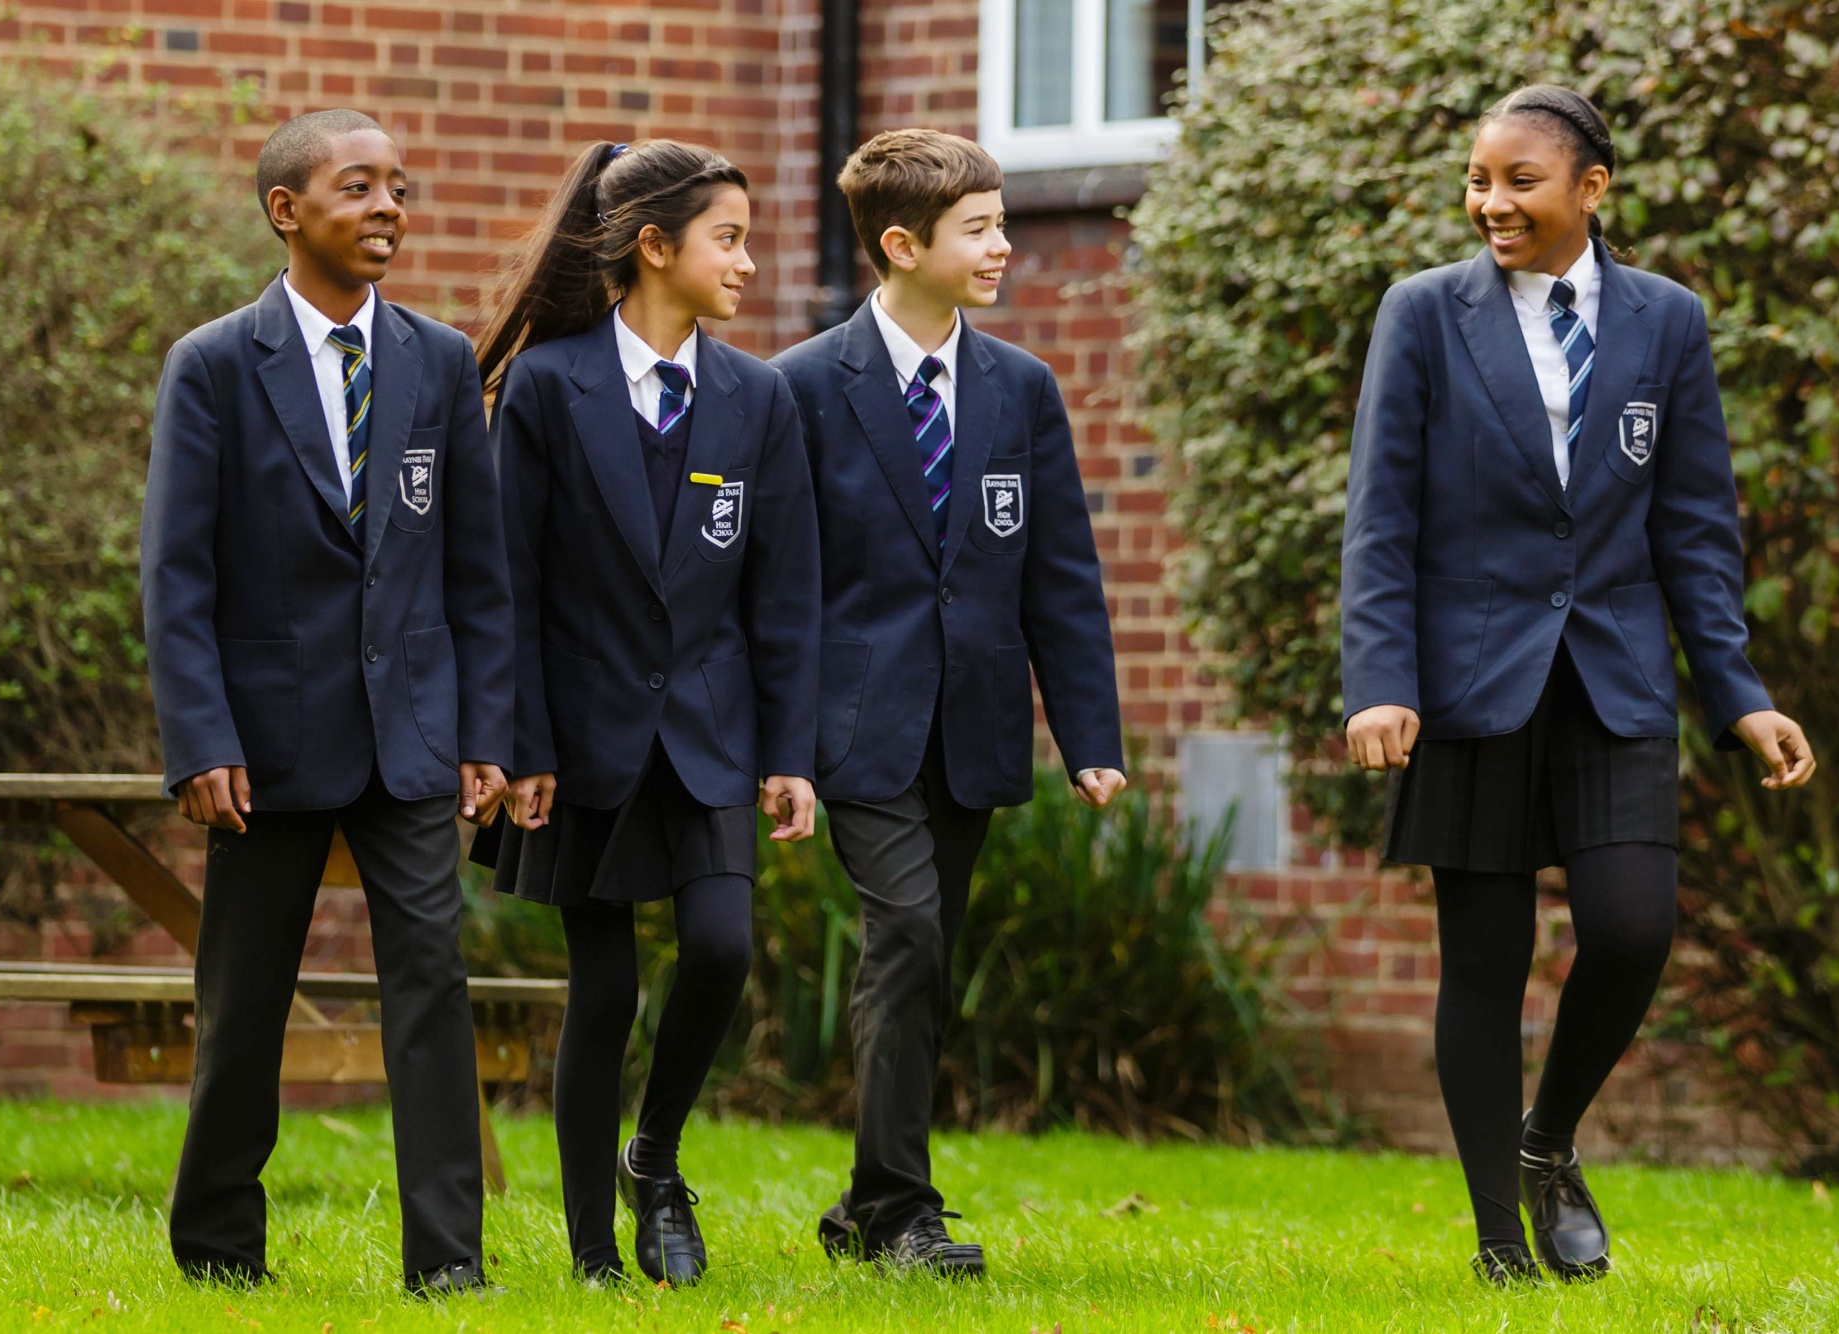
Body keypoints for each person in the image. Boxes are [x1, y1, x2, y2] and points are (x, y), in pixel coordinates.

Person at [1340, 85, 1817, 1284]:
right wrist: (1378, 680)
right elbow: (1379, 519)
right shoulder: (1423, 315)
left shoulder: (1666, 322)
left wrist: (1738, 692)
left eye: (1517, 182)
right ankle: (1500, 1239)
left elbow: (1695, 528)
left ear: (1590, 189)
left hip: (1611, 676)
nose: (1488, 203)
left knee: (1629, 926)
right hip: (1466, 683)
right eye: (1476, 181)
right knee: (1485, 959)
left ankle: (1544, 1141)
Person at [141, 109, 513, 1295]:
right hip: (263, 746)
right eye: (359, 188)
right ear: (286, 211)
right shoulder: (212, 364)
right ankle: (214, 1244)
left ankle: (447, 1259)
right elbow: (177, 570)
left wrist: (483, 733)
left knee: (430, 990)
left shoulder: (440, 363)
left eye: (400, 187)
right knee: (242, 1001)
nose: (389, 208)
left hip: (410, 740)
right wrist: (200, 735)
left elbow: (478, 570)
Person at [772, 128, 1127, 1277]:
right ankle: (899, 1211)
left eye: (1000, 221)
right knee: (909, 931)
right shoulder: (803, 387)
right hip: (854, 727)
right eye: (978, 228)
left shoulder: (1020, 390)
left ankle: (868, 1207)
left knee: (917, 955)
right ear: (900, 245)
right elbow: (781, 591)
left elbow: (1059, 575)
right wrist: (782, 749)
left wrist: (1089, 737)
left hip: (971, 727)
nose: (1002, 246)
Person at [470, 139, 821, 1287]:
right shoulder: (544, 387)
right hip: (579, 748)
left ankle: (654, 1158)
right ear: (654, 247)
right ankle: (587, 1254)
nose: (749, 262)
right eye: (728, 237)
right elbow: (506, 583)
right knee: (605, 986)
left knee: (720, 948)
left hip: (713, 739)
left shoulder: (758, 398)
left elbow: (784, 596)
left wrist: (789, 753)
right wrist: (518, 745)